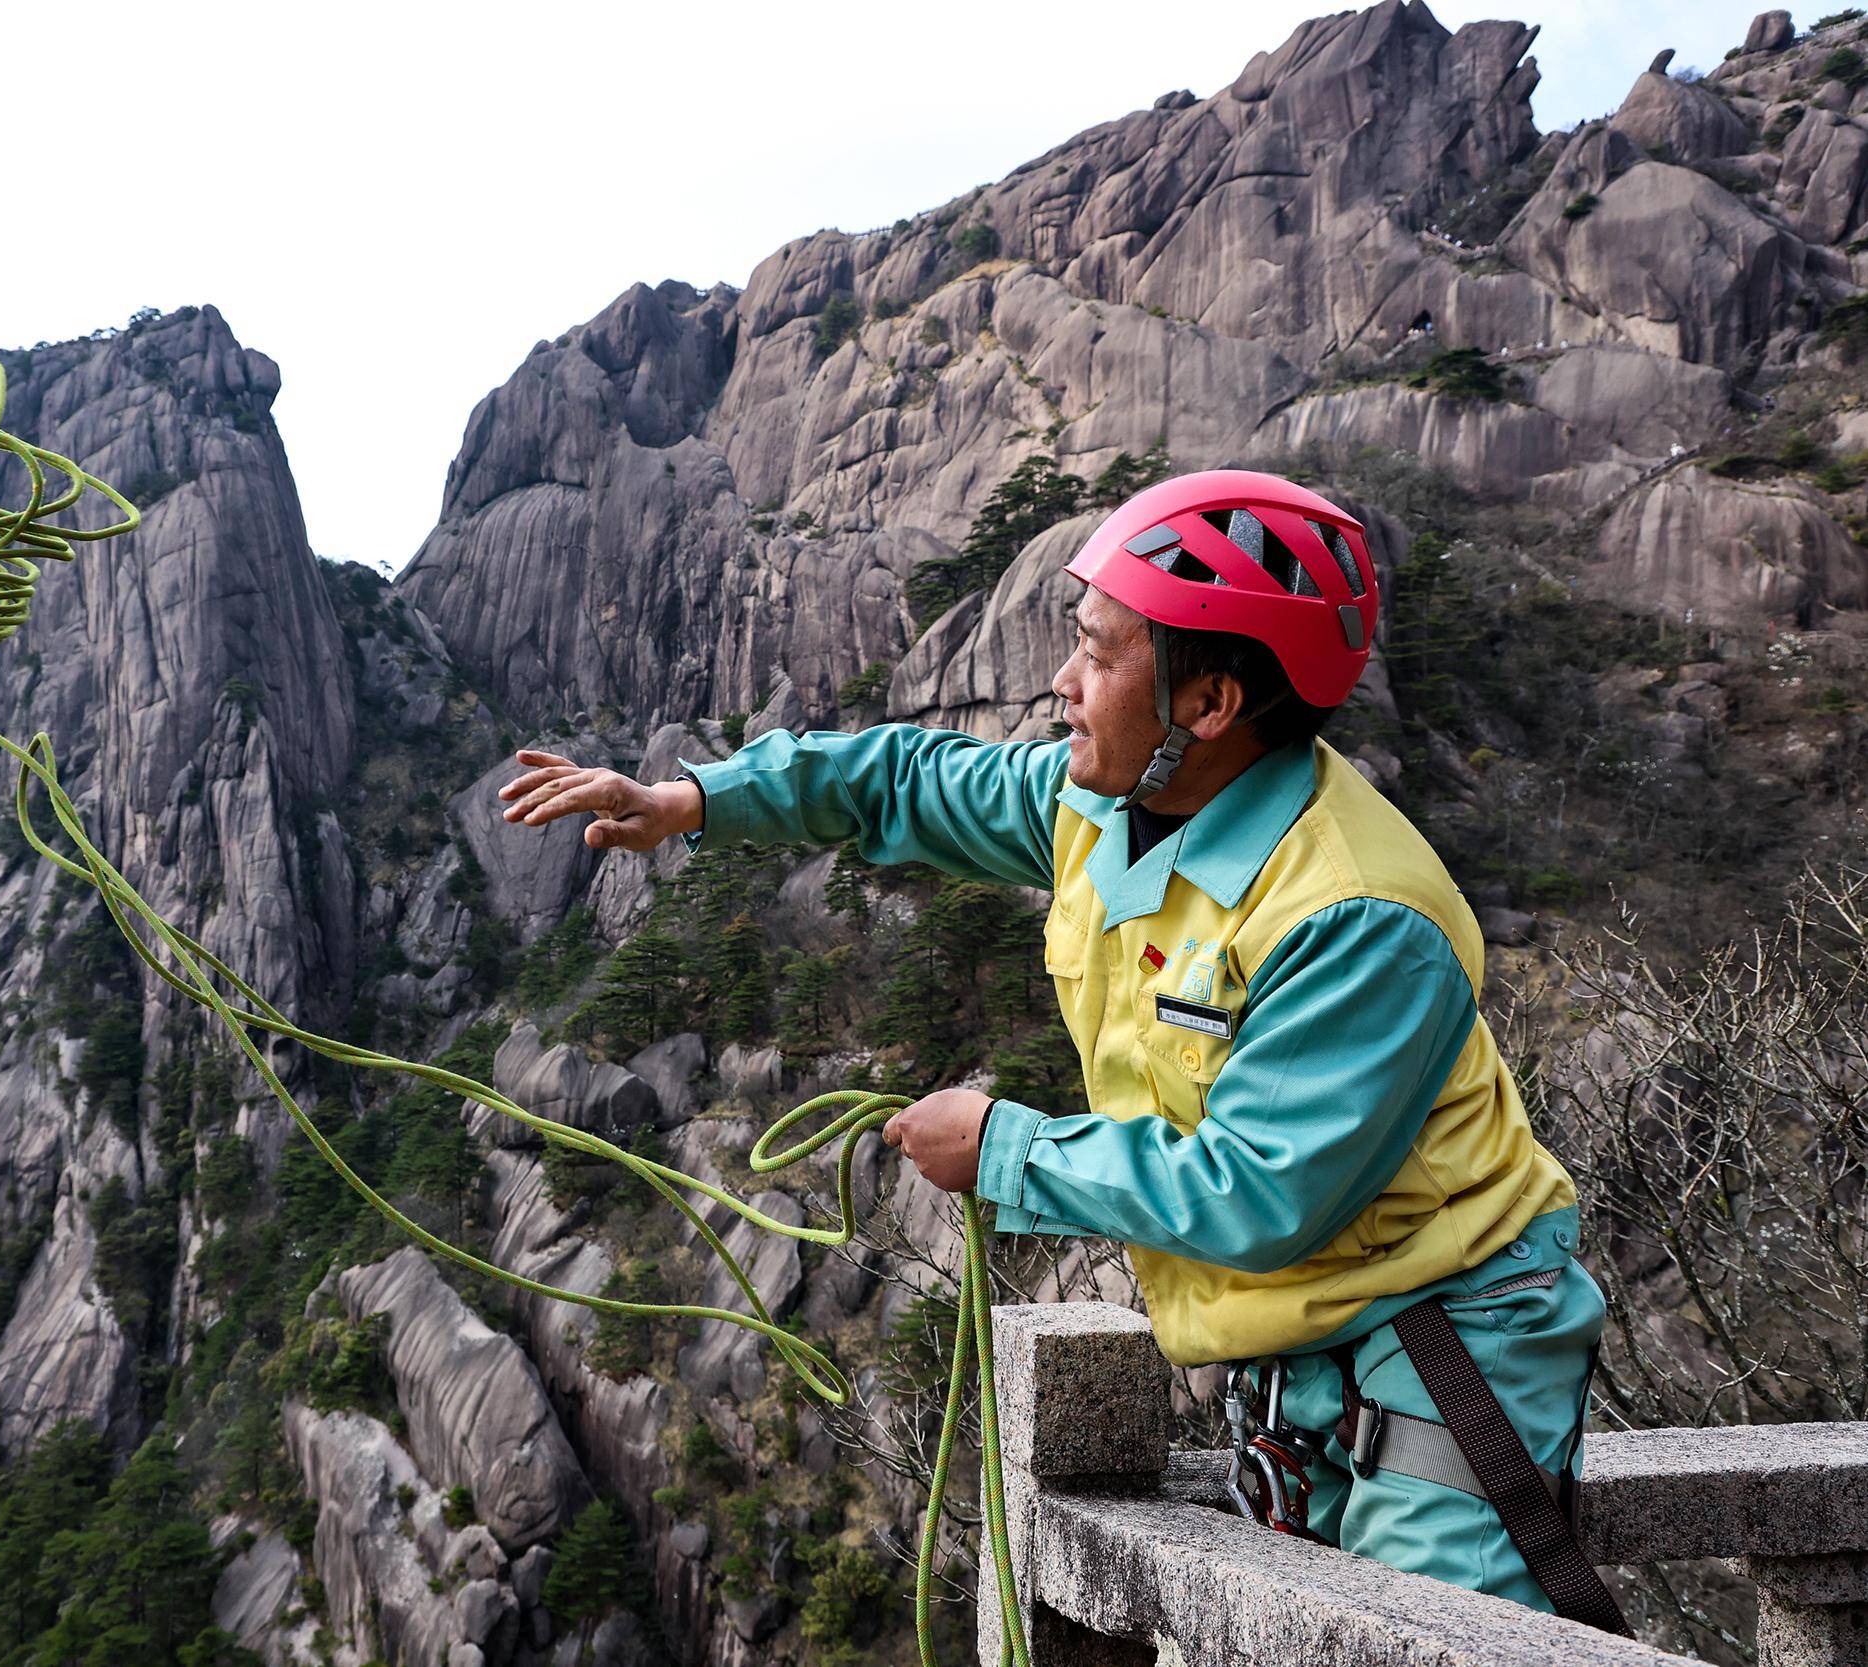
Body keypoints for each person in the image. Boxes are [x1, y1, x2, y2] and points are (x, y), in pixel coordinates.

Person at [496, 468, 1617, 1621]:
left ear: (1210, 702)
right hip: (1296, 1344)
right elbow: (904, 779)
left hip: (1446, 1333)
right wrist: (695, 798)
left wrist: (1003, 1149)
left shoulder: (1356, 913)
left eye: (1096, 651)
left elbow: (1256, 1192)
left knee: (1427, 1643)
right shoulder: (1105, 806)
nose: (1060, 680)